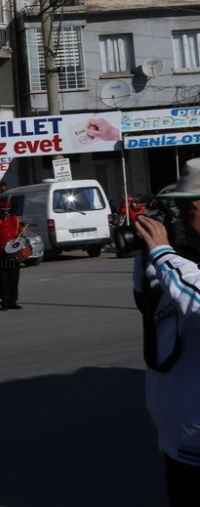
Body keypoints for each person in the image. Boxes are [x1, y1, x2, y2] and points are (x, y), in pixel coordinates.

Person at [133, 157, 200, 506]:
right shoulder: (181, 264)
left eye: (188, 209)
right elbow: (148, 308)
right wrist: (146, 261)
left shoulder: (177, 266)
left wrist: (163, 254)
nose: (180, 220)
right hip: (178, 448)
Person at [0, 199, 24, 311]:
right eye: (3, 211)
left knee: (14, 278)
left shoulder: (14, 219)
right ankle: (5, 302)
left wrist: (22, 234)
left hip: (13, 254)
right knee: (3, 279)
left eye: (7, 211)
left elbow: (19, 234)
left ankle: (13, 301)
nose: (5, 214)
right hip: (0, 254)